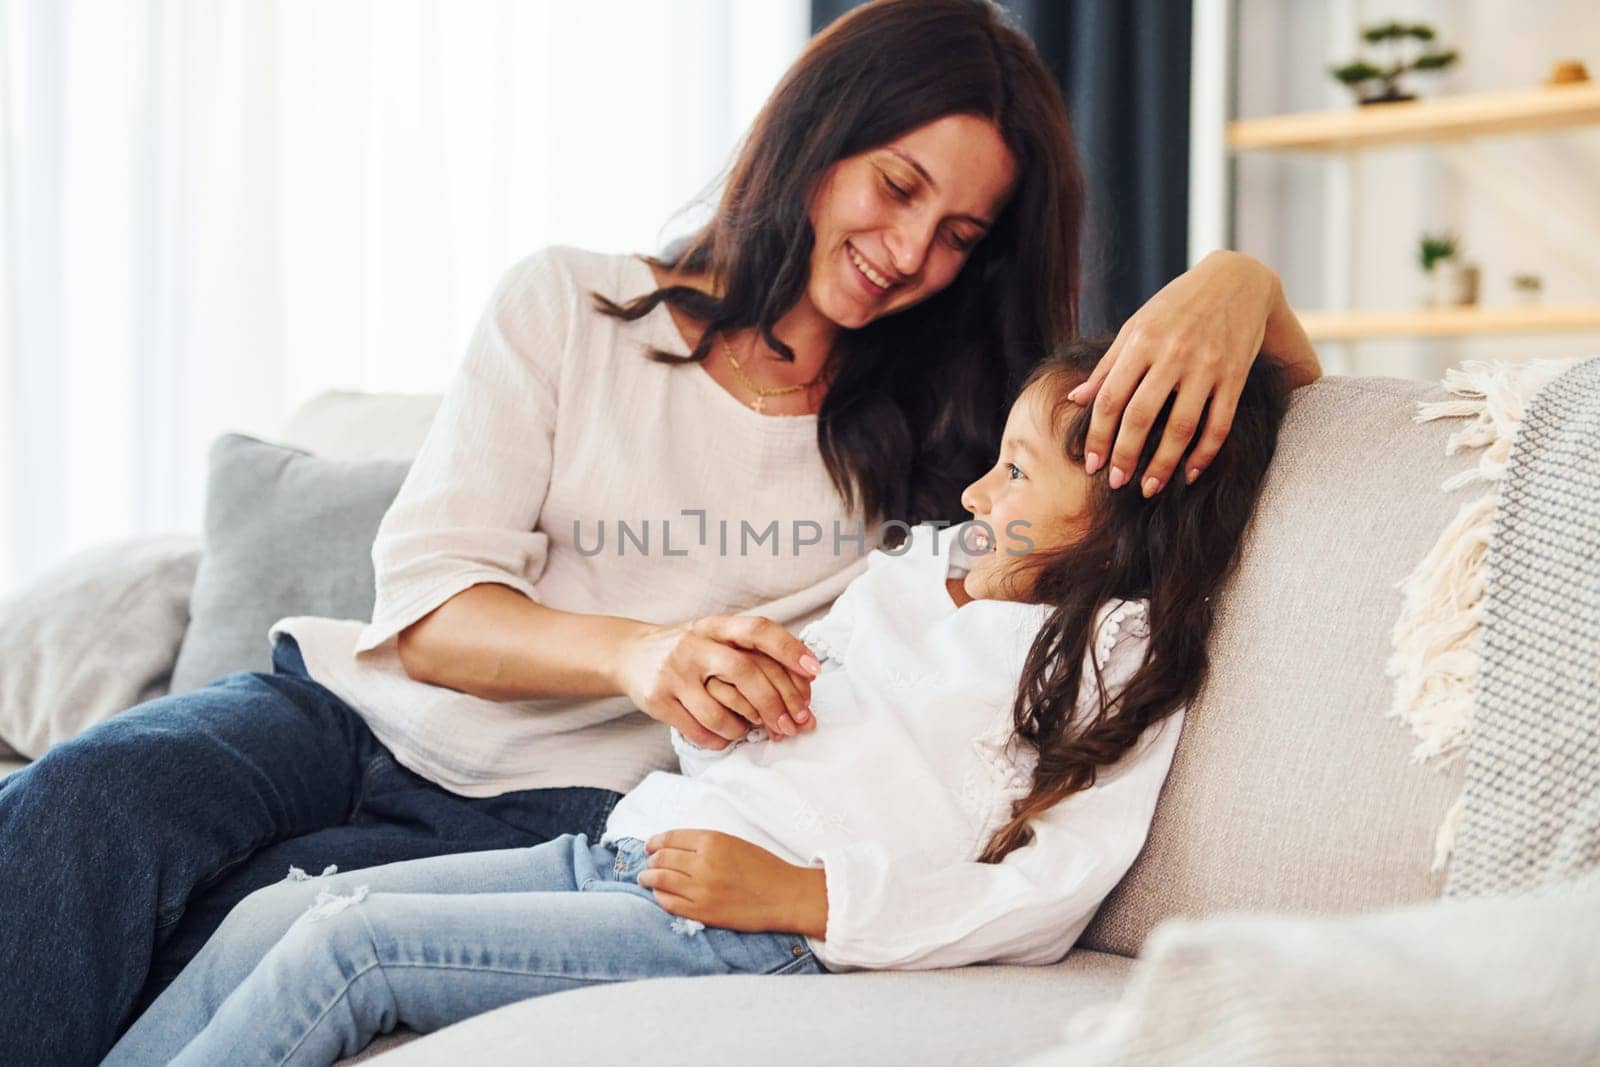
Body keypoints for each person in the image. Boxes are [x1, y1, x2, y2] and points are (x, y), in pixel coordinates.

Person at [0, 1, 1320, 1062]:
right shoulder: (569, 304)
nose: (909, 247)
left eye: (958, 232)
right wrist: (641, 653)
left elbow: (1223, 431)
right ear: (820, 137)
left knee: (261, 913)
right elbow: (431, 599)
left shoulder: (962, 439)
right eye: (897, 184)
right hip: (345, 712)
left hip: (570, 802)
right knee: (88, 796)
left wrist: (1240, 281)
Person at [106, 337, 1293, 1065]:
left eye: (1021, 470)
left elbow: (1040, 892)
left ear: (1131, 503)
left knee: (351, 948)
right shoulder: (922, 569)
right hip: (631, 847)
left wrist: (804, 895)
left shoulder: (1111, 658)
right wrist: (727, 691)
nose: (982, 484)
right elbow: (800, 735)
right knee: (281, 911)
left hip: (744, 922)